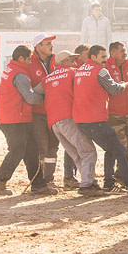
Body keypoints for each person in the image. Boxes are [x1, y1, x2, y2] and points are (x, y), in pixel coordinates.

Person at [73, 44, 128, 196]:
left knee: (111, 149)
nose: (105, 60)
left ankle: (109, 184)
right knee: (121, 150)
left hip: (81, 119)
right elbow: (114, 89)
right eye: (102, 57)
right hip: (95, 120)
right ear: (93, 57)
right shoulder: (100, 70)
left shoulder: (80, 70)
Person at [0, 45, 51, 195]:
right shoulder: (20, 75)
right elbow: (30, 98)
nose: (31, 61)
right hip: (16, 119)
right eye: (29, 58)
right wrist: (46, 97)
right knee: (18, 151)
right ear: (21, 58)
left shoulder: (11, 69)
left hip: (12, 117)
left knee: (31, 151)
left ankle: (38, 184)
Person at [43, 50, 102, 196]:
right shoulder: (72, 73)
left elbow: (34, 93)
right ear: (64, 62)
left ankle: (88, 182)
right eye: (71, 60)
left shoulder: (47, 78)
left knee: (76, 154)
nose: (75, 63)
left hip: (54, 122)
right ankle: (87, 185)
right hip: (68, 118)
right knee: (88, 151)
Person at [26, 33, 61, 190]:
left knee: (53, 146)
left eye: (51, 43)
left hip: (54, 111)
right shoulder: (29, 62)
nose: (51, 45)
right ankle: (39, 183)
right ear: (37, 46)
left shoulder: (55, 61)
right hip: (37, 112)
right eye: (47, 43)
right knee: (42, 147)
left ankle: (49, 179)